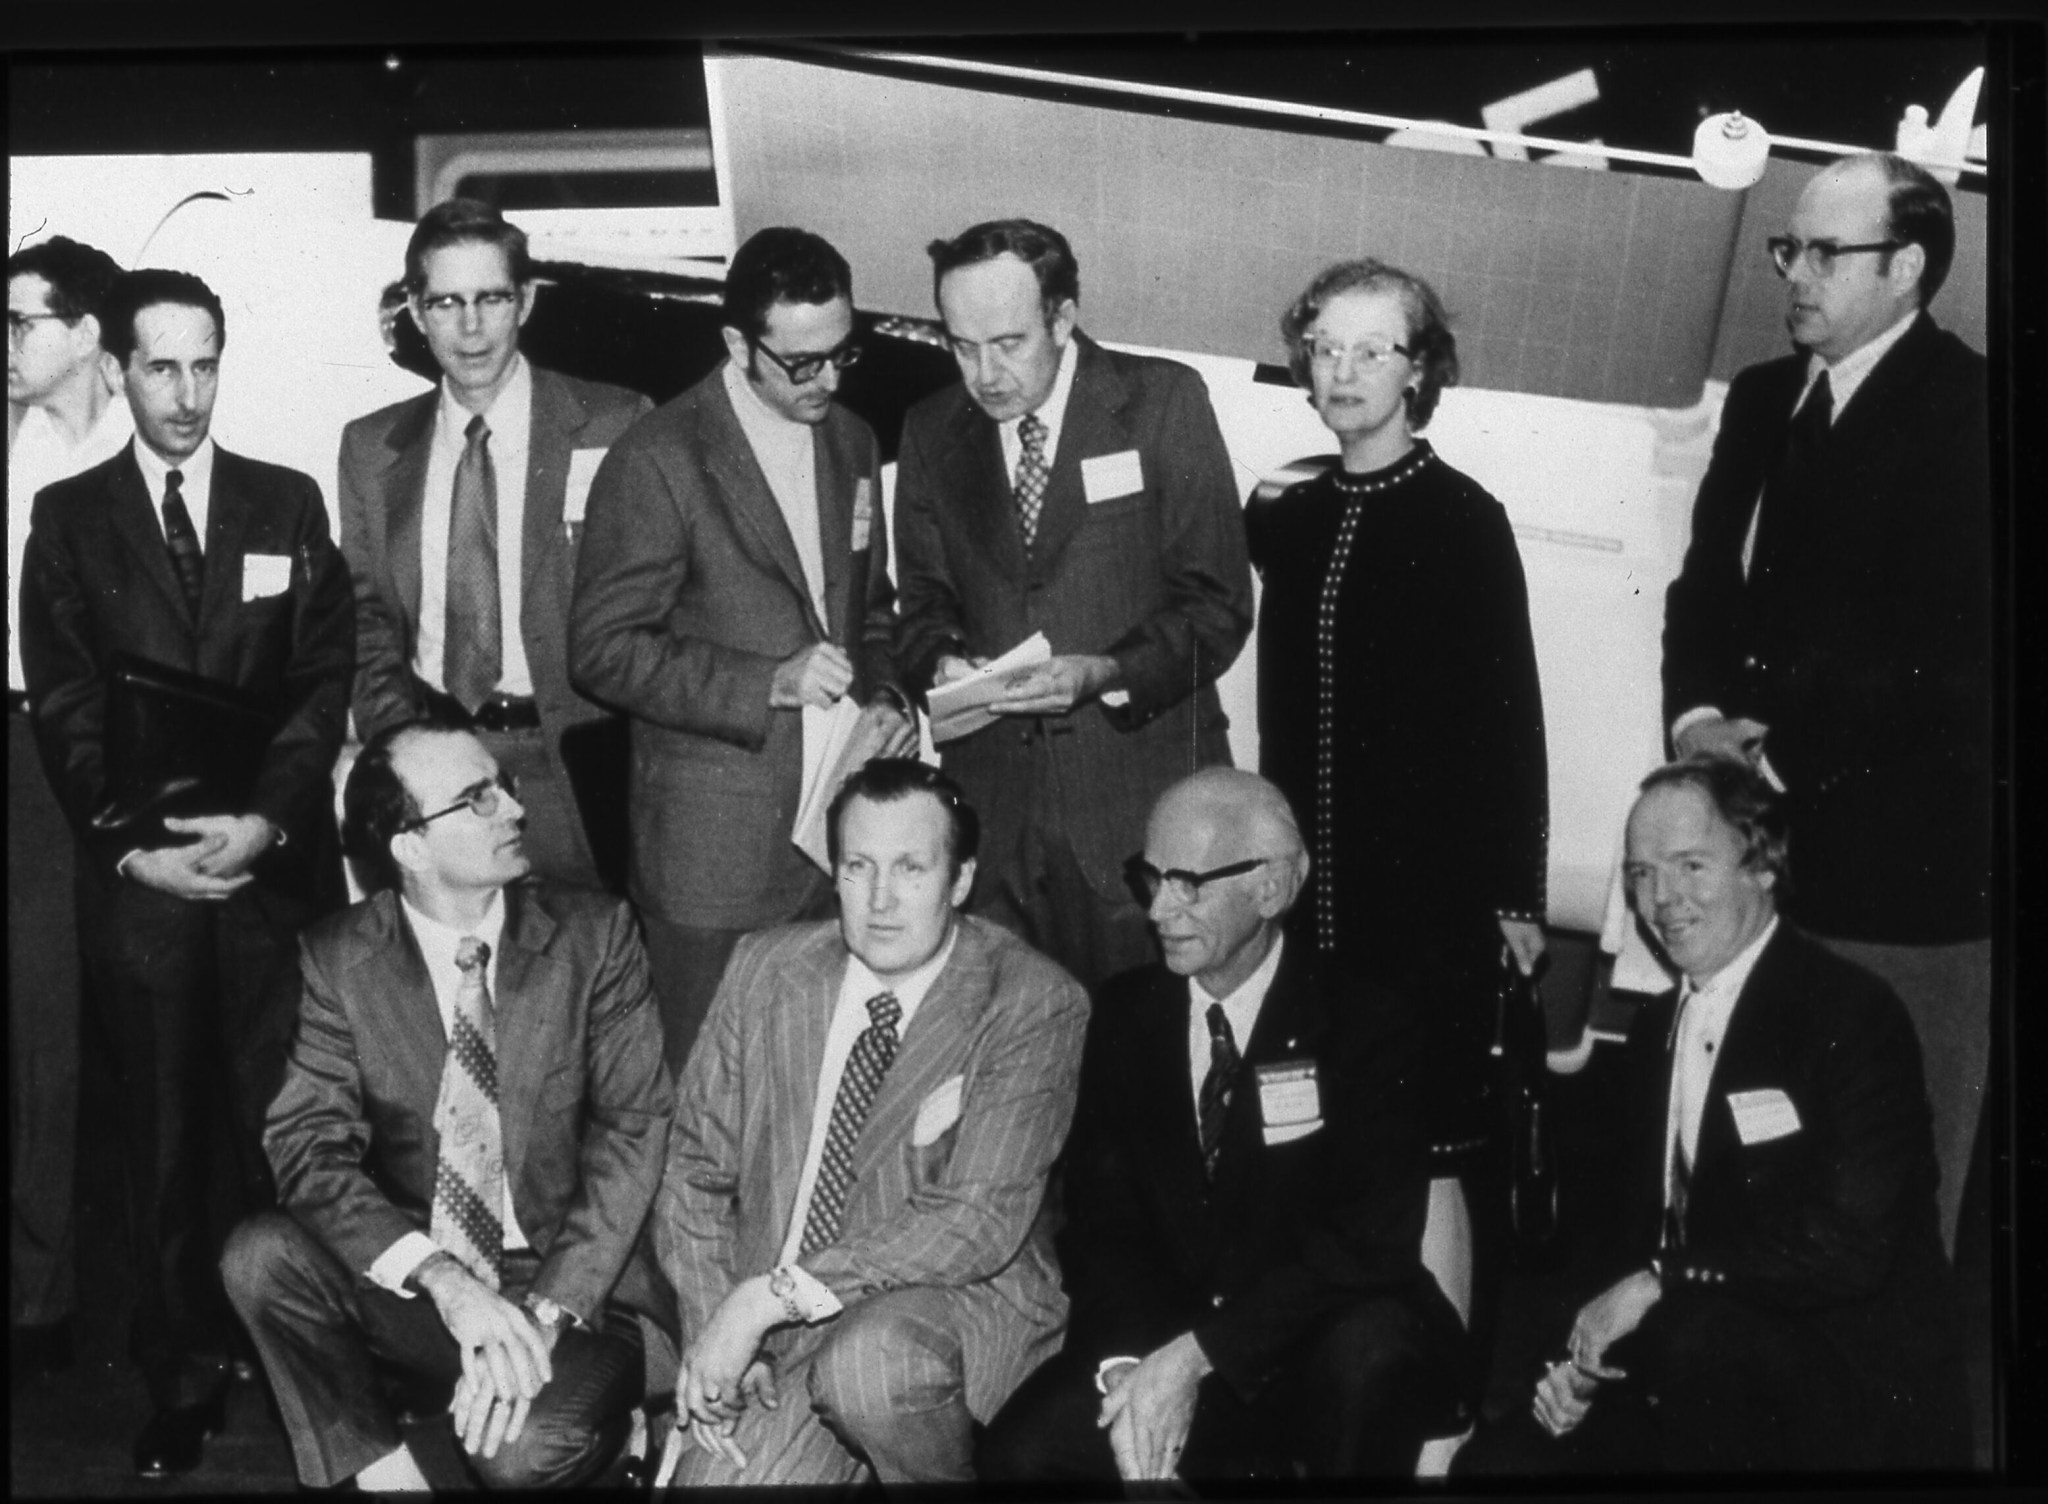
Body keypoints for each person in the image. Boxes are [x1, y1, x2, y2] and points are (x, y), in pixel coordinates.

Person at [19, 268, 354, 1476]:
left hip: (270, 879)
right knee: (159, 1145)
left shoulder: (286, 500)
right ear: (119, 370)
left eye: (205, 363)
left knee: (286, 1132)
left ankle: (312, 1366)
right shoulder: (67, 518)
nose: (187, 391)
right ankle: (179, 1379)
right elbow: (64, 708)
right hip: (146, 885)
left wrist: (263, 825)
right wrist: (137, 851)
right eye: (161, 366)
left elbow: (323, 684)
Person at [1458, 757, 1967, 1475]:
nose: (1661, 899)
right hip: (1684, 1362)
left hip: (1838, 1380)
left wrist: (1664, 1279)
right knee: (1491, 1468)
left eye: (1690, 865)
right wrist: (1575, 1362)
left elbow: (1847, 1248)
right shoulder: (1651, 1028)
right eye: (1640, 874)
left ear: (1763, 865)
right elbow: (1615, 1234)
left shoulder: (1850, 1014)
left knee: (1691, 1340)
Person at [1661, 152, 1991, 1254]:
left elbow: (1955, 663)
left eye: (1821, 252)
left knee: (1882, 1209)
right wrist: (1697, 721)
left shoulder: (1973, 414)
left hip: (1903, 882)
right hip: (1756, 868)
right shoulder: (1761, 399)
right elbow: (1702, 587)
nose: (1792, 274)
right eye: (1783, 249)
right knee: (1746, 1179)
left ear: (1905, 267)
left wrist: (1778, 750)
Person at [221, 717, 674, 1491]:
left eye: (504, 786)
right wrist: (445, 1281)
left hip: (580, 1287)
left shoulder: (594, 935)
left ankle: (624, 1433)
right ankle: (389, 1474)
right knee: (259, 1257)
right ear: (409, 847)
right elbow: (306, 1147)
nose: (514, 809)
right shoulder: (339, 959)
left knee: (518, 1455)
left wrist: (544, 1314)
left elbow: (632, 1135)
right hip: (444, 1285)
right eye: (478, 798)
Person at [978, 769, 1468, 1483]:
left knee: (1371, 1358)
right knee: (1018, 1458)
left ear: (1272, 888)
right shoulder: (1124, 1014)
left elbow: (1367, 1247)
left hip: (1317, 1345)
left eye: (1189, 883)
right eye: (1150, 878)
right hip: (1163, 1340)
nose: (1159, 910)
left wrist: (1198, 1356)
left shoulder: (1366, 1024)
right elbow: (1101, 1227)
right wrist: (1131, 1371)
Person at [1245, 257, 1547, 1385]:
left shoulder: (1465, 517)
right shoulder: (1290, 505)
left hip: (1427, 896)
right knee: (1325, 1135)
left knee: (1431, 1149)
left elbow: (1507, 720)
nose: (1342, 371)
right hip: (1312, 892)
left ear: (1419, 370)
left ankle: (1445, 1404)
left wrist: (1511, 895)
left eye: (1372, 349)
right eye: (1323, 347)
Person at [654, 758, 1087, 1487]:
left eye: (912, 869)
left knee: (869, 1369)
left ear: (961, 879)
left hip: (938, 1308)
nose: (880, 900)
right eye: (858, 867)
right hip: (775, 1328)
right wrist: (723, 1331)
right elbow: (695, 1172)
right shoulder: (765, 969)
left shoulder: (1030, 1001)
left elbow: (975, 1221)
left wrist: (769, 1297)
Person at [570, 227, 912, 1074]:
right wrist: (769, 682)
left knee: (809, 1090)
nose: (826, 380)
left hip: (835, 844)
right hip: (710, 861)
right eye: (801, 363)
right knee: (700, 1102)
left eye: (841, 354)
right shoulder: (659, 458)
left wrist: (891, 697)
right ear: (736, 343)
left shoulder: (854, 441)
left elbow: (870, 612)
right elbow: (602, 650)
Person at [893, 218, 1254, 994]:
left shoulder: (1161, 402)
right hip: (997, 827)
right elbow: (919, 604)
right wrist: (945, 658)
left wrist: (1107, 672)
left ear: (1063, 317)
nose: (985, 373)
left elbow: (1219, 605)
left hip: (1139, 813)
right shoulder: (928, 432)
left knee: (1142, 1077)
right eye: (961, 347)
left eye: (1010, 343)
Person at [341, 198, 652, 890]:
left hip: (580, 765)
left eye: (491, 298)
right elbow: (365, 622)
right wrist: (410, 759)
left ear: (527, 301)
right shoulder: (370, 449)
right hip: (444, 773)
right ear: (416, 313)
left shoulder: (615, 423)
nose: (471, 327)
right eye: (446, 302)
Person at [8, 235, 130, 1376]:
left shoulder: (143, 452)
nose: (6, 345)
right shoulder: (12, 445)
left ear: (88, 333)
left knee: (53, 1022)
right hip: (11, 734)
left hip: (88, 745)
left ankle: (41, 1295)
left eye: (23, 324)